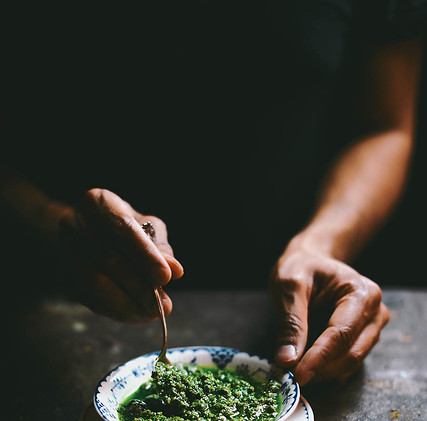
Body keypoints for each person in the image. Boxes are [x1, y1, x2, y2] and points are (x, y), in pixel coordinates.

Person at [0, 1, 425, 386]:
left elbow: (383, 127)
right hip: (50, 315)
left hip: (277, 300)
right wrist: (51, 223)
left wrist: (320, 244)